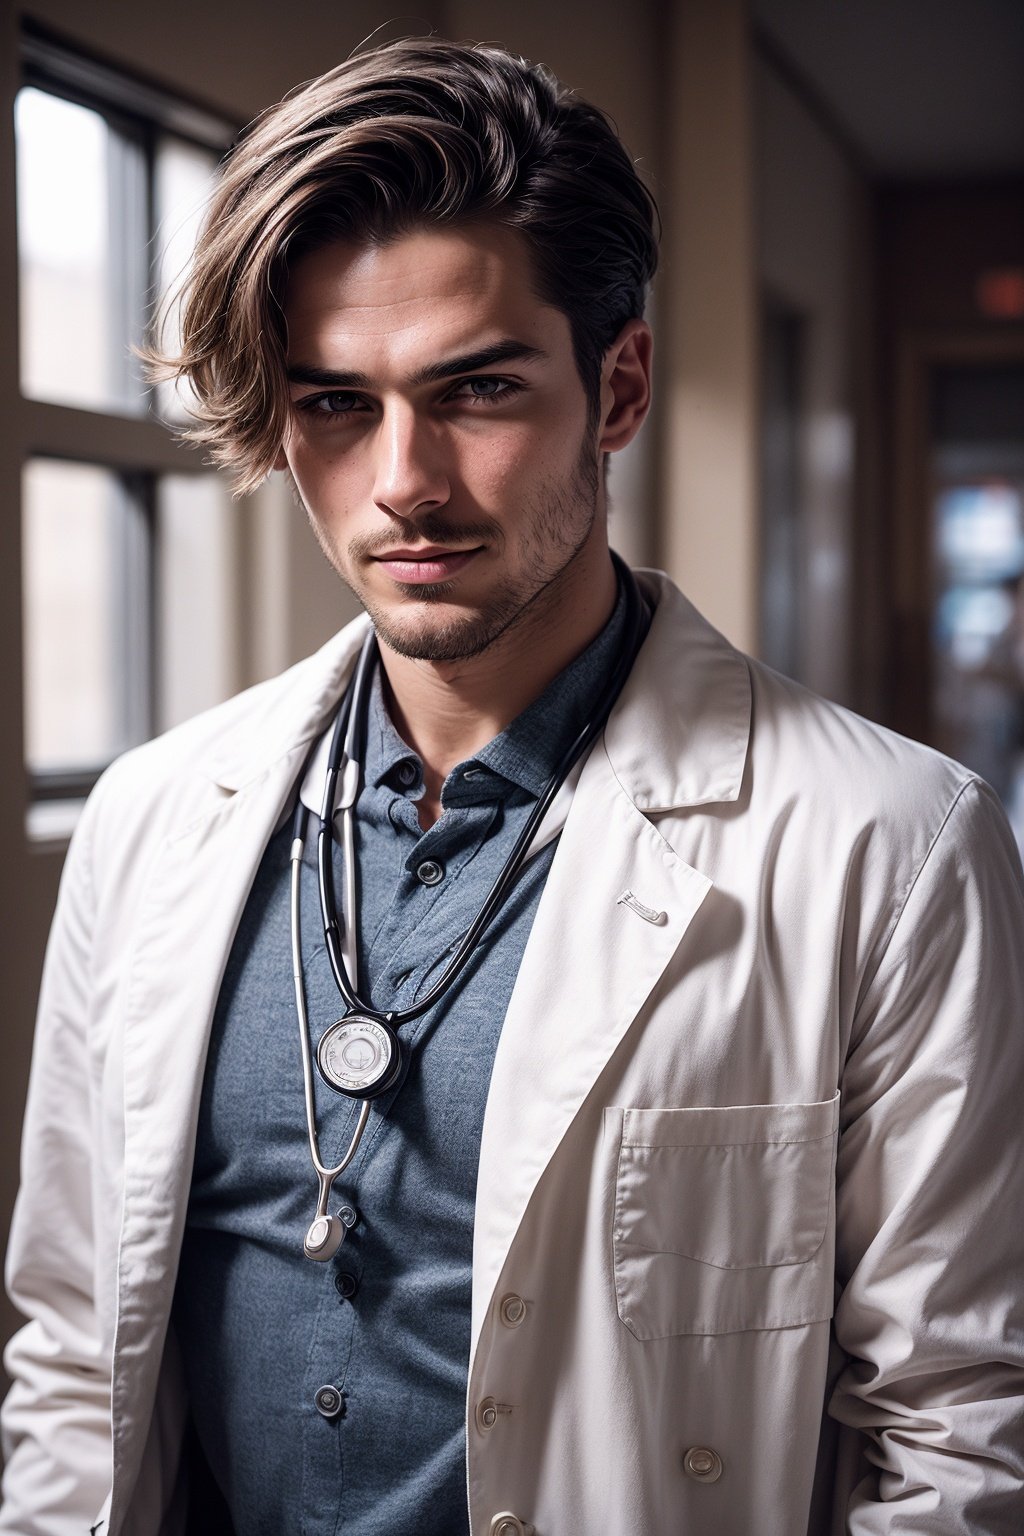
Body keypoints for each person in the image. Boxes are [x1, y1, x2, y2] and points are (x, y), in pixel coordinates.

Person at [2, 35, 1023, 1536]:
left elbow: (956, 1432)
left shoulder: (891, 845)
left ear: (619, 386)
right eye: (336, 406)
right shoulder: (155, 818)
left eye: (474, 390)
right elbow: (74, 1352)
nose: (403, 482)